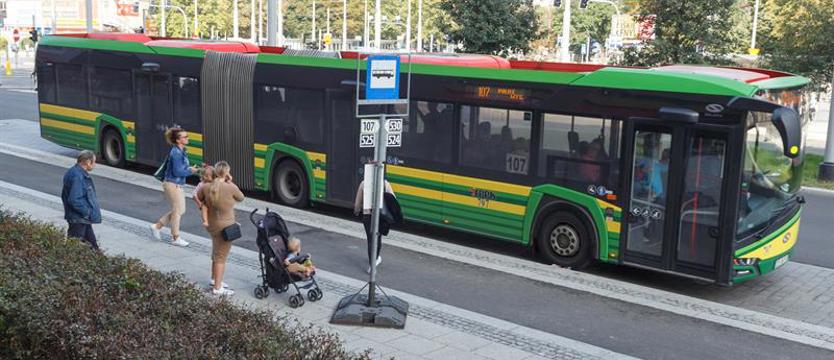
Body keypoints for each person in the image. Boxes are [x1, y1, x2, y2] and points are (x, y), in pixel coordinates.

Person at [198, 161, 245, 296]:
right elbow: (241, 198)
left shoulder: (206, 187)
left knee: (216, 252)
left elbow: (200, 199)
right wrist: (230, 182)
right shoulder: (230, 187)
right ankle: (218, 288)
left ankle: (214, 279)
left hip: (212, 225)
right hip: (226, 227)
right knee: (221, 257)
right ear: (227, 173)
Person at [149, 127, 198, 247]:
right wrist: (191, 171)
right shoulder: (176, 153)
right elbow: (177, 171)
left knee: (180, 210)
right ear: (178, 140)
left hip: (175, 183)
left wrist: (189, 169)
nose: (187, 138)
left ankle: (157, 226)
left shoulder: (181, 150)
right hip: (172, 184)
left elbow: (180, 169)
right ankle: (175, 237)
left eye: (187, 136)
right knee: (177, 211)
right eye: (185, 137)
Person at [353, 168, 395, 273]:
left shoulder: (364, 183)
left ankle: (373, 264)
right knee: (378, 238)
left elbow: (358, 202)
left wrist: (357, 211)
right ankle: (375, 260)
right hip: (382, 216)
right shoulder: (385, 184)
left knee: (371, 240)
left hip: (368, 216)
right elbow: (393, 198)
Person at [61, 150, 102, 250]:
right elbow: (74, 199)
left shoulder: (74, 172)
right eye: (94, 162)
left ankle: (99, 262)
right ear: (88, 162)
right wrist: (87, 213)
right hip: (79, 219)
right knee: (72, 249)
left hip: (82, 219)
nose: (95, 165)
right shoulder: (78, 176)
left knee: (93, 246)